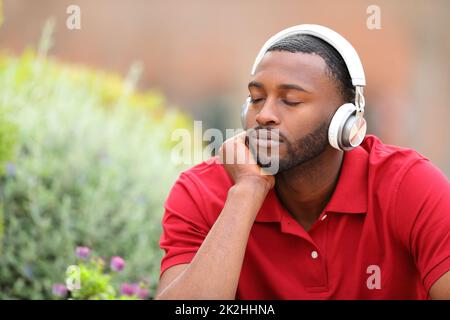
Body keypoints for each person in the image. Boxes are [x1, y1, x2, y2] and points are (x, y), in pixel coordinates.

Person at [155, 25, 450, 299]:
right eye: (257, 98)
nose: (263, 115)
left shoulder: (409, 185)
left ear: (345, 121)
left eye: (291, 100)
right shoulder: (200, 191)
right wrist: (246, 192)